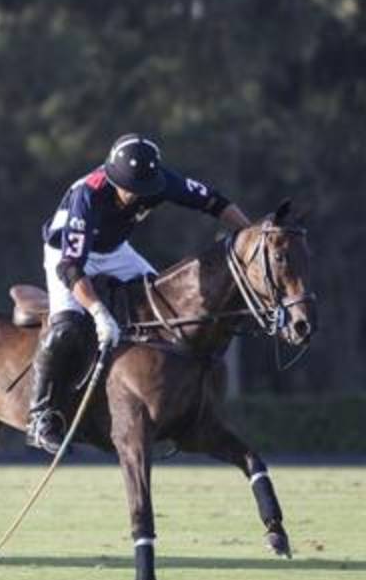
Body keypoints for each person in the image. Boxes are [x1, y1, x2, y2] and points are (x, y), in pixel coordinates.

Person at [27, 133, 252, 454]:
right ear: (113, 176)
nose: (136, 196)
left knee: (164, 307)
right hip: (67, 255)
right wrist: (98, 313)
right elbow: (71, 268)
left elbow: (215, 201)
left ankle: (173, 406)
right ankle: (40, 416)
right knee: (65, 329)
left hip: (116, 251)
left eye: (142, 190)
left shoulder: (159, 181)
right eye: (130, 189)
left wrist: (251, 236)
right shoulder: (87, 196)